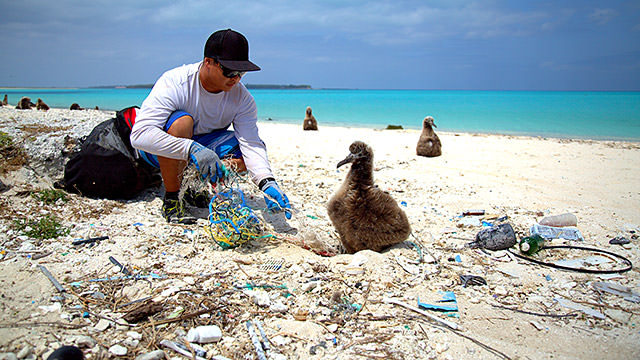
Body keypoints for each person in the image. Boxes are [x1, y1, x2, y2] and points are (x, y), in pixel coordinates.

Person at [130, 29, 291, 224]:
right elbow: (139, 135)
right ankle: (172, 198)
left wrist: (266, 182)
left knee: (244, 154)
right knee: (182, 122)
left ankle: (192, 186)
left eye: (241, 72)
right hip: (162, 149)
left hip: (204, 148)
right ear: (208, 62)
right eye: (229, 71)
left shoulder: (242, 98)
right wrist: (191, 149)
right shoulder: (176, 82)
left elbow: (251, 142)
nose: (236, 79)